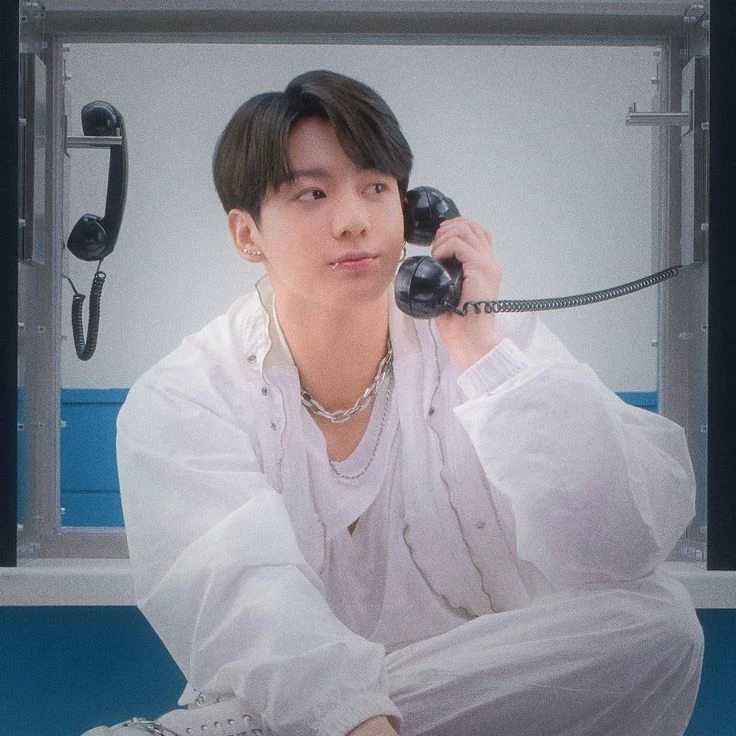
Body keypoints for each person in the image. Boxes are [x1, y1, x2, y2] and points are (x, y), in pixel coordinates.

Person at [90, 70, 703, 736]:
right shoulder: (183, 396)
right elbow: (247, 593)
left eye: (375, 188)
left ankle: (256, 729)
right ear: (247, 235)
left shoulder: (484, 339)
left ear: (411, 211)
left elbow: (623, 547)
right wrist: (351, 716)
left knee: (661, 624)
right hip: (332, 706)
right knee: (313, 688)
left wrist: (482, 354)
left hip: (473, 690)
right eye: (312, 193)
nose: (354, 221)